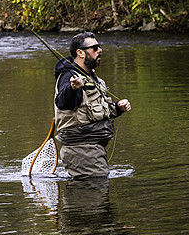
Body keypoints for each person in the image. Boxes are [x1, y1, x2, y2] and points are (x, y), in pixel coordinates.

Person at [53, 32, 131, 179]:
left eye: (99, 47)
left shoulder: (94, 78)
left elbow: (97, 111)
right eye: (95, 48)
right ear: (80, 53)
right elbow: (63, 103)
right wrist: (72, 88)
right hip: (81, 150)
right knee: (94, 188)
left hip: (93, 149)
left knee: (97, 188)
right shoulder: (69, 77)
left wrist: (118, 107)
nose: (100, 50)